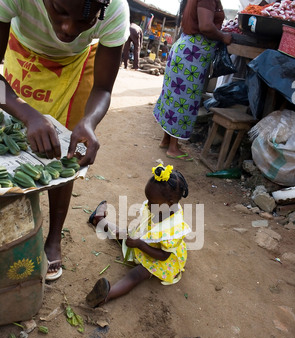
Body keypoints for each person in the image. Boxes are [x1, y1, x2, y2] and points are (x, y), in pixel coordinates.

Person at [0, 0, 130, 280]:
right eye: (59, 12)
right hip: (24, 54)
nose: (68, 29)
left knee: (67, 154)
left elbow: (104, 88)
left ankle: (54, 238)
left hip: (77, 65)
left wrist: (89, 122)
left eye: (85, 21)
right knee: (11, 140)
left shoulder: (116, 10)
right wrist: (27, 114)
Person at [85, 164, 191, 307]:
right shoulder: (159, 207)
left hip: (158, 258)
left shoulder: (174, 228)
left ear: (169, 203)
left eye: (151, 202)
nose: (147, 205)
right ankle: (98, 219)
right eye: (148, 200)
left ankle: (106, 295)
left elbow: (164, 256)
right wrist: (136, 239)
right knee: (121, 233)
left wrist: (140, 244)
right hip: (144, 240)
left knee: (136, 274)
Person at [153, 0, 232, 161]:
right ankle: (173, 148)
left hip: (186, 51)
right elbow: (206, 26)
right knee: (183, 100)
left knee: (173, 97)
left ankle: (167, 140)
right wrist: (224, 36)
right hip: (191, 56)